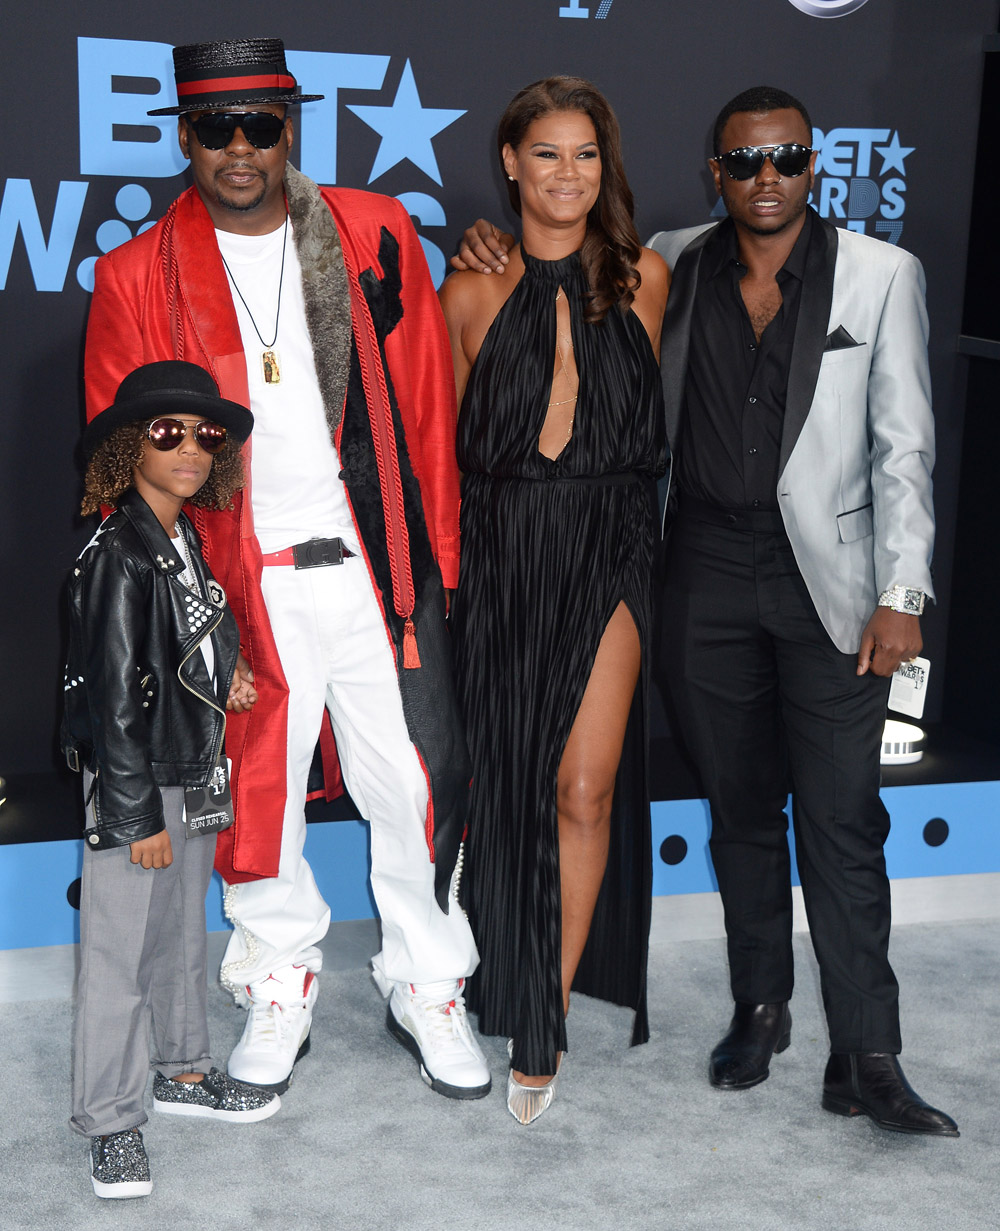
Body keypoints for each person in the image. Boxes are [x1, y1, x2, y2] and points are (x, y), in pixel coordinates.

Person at [455, 83, 957, 1136]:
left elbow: (905, 448)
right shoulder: (674, 262)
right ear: (714, 173)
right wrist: (488, 249)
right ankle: (759, 1007)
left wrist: (903, 593)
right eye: (744, 163)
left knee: (840, 818)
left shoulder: (879, 274)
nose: (765, 178)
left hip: (834, 588)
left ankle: (868, 1053)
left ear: (812, 163)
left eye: (785, 159)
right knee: (737, 812)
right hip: (699, 575)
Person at [84, 38, 489, 1101]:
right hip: (236, 579)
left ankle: (426, 979)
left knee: (413, 780)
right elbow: (121, 459)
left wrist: (437, 560)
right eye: (216, 127)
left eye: (260, 123)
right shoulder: (136, 274)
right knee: (259, 794)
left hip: (372, 563)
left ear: (290, 127)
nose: (240, 148)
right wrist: (174, 603)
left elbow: (426, 408)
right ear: (184, 136)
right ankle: (277, 978)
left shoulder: (371, 232)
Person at [439, 77, 669, 1123]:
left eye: (584, 155)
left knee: (585, 787)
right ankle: (504, 974)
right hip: (502, 555)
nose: (566, 174)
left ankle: (549, 1015)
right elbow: (446, 456)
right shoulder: (472, 289)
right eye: (546, 154)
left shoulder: (647, 280)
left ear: (602, 165)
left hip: (612, 547)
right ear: (510, 163)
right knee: (513, 790)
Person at [63, 360, 278, 1199]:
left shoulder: (180, 539)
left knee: (183, 936)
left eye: (206, 434)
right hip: (138, 786)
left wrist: (224, 675)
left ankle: (183, 1070)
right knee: (118, 956)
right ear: (129, 445)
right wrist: (132, 818)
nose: (190, 447)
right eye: (166, 432)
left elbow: (175, 648)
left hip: (187, 771)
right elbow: (111, 699)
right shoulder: (118, 552)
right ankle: (111, 1119)